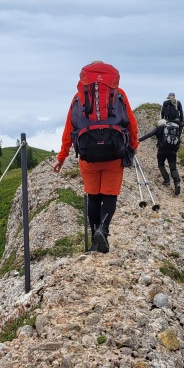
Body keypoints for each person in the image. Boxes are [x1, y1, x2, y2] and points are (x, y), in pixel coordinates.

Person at [53, 61, 139, 253]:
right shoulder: (119, 95)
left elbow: (69, 129)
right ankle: (103, 229)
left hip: (88, 156)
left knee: (93, 197)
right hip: (114, 155)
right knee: (109, 195)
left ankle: (94, 240)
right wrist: (133, 146)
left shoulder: (78, 98)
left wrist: (62, 156)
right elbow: (131, 124)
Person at [139, 118, 182, 195]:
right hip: (172, 152)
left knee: (161, 165)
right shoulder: (172, 130)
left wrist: (139, 140)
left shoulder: (158, 129)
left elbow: (149, 135)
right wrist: (175, 150)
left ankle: (166, 180)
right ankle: (177, 182)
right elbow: (179, 141)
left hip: (162, 151)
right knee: (173, 168)